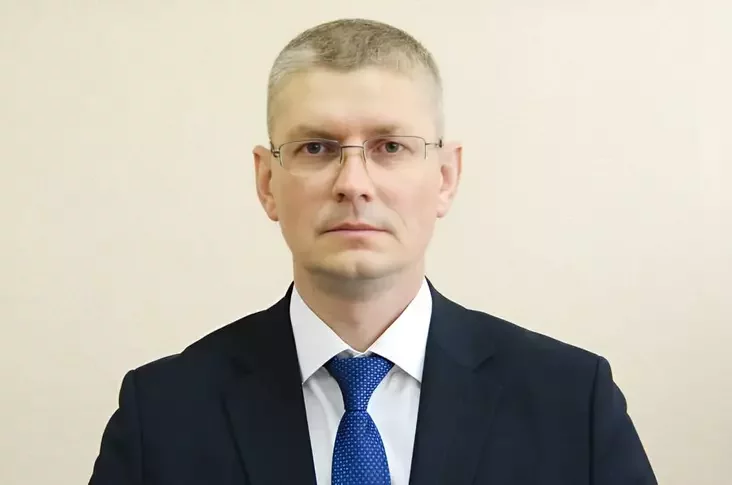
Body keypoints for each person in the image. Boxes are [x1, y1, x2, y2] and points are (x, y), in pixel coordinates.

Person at [89, 18, 657, 485]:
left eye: (389, 146)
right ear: (267, 182)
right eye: (317, 147)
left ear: (445, 177)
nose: (353, 183)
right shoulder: (161, 415)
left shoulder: (571, 401)